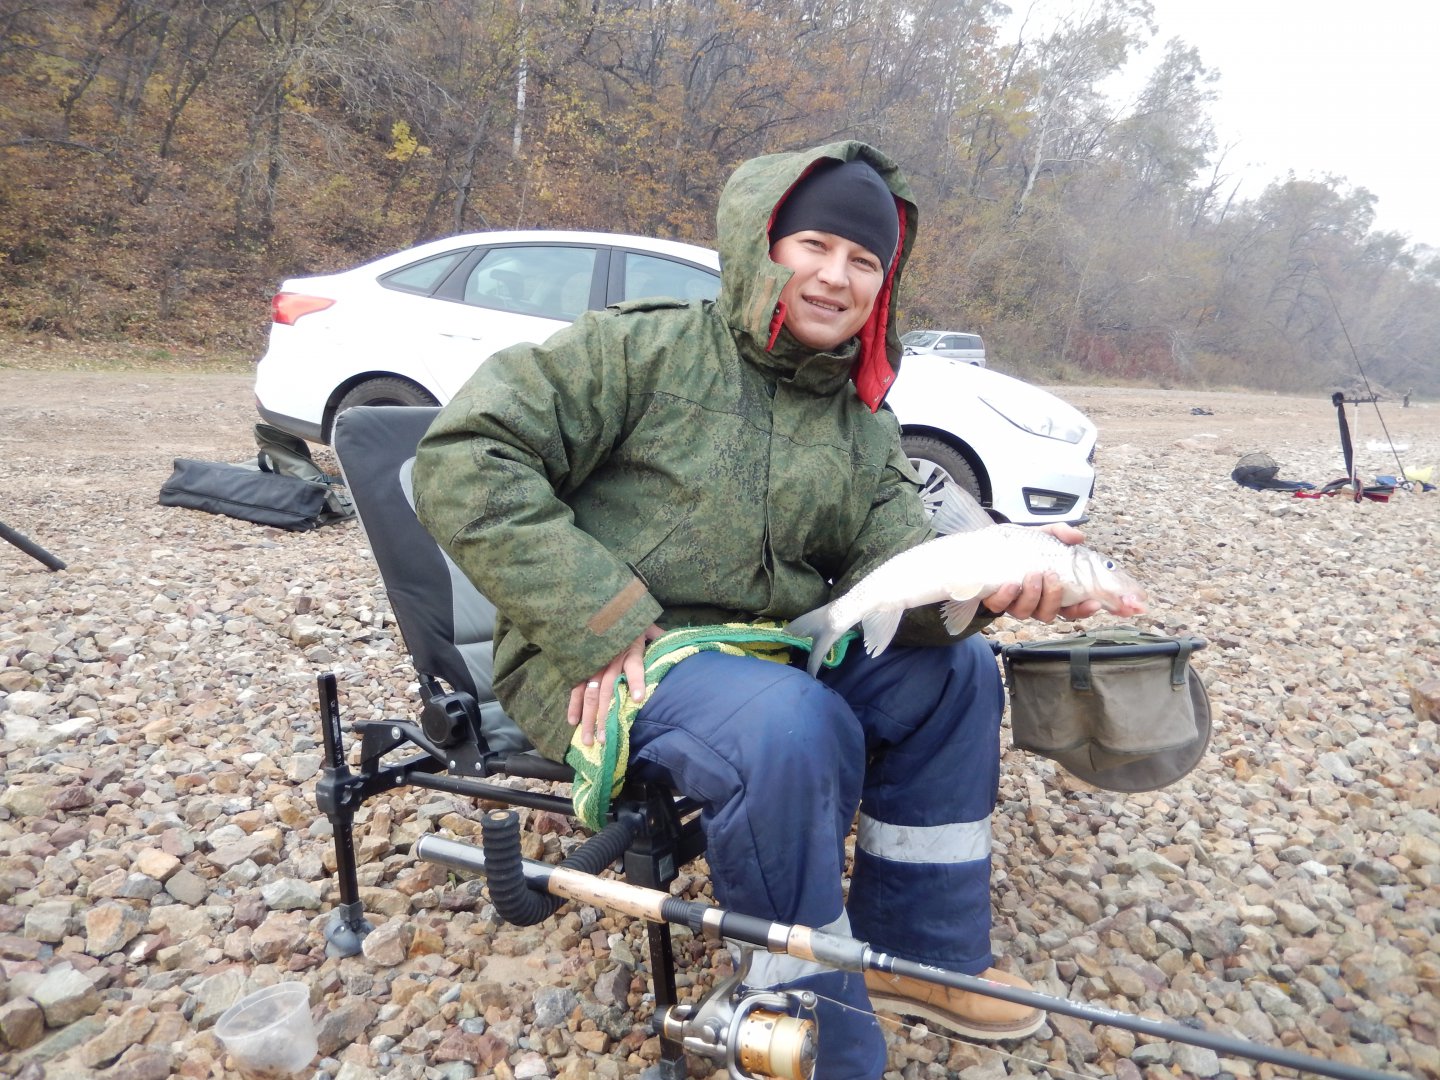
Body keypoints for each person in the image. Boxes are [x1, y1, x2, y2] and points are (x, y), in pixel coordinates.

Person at [413, 141, 1110, 1079]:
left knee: (957, 672)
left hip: (776, 654)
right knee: (789, 724)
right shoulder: (635, 351)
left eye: (864, 261)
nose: (837, 276)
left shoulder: (863, 424)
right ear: (760, 245)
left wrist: (981, 590)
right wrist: (593, 614)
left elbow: (897, 576)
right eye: (814, 246)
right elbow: (464, 455)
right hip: (613, 655)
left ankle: (921, 952)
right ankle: (800, 1010)